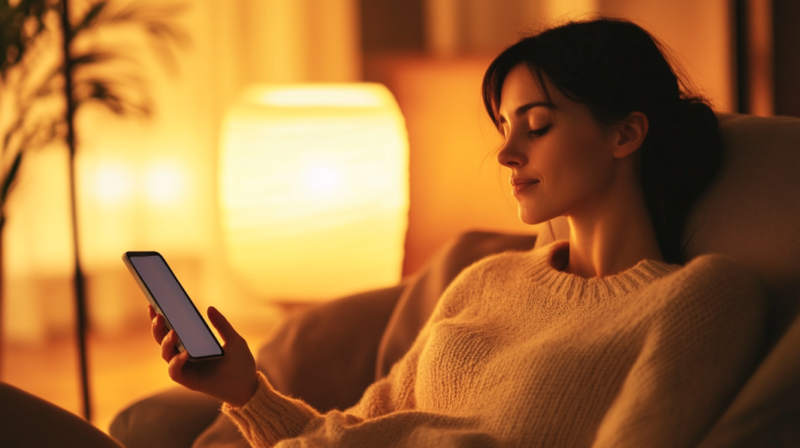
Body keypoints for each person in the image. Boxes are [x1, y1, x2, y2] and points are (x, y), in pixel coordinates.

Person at [0, 17, 766, 448]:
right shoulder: (485, 279)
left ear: (626, 133)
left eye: (536, 125)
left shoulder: (700, 299)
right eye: (504, 127)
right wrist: (246, 391)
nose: (506, 152)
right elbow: (352, 431)